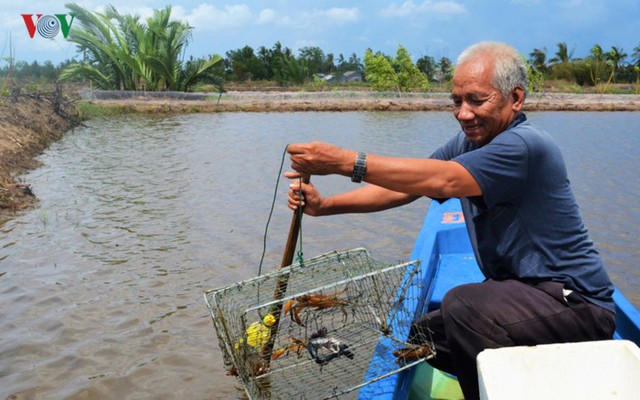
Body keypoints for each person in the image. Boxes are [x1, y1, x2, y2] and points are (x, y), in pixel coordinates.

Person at [284, 41, 615, 400]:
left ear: (515, 98)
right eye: (457, 101)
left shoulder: (524, 145)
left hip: (576, 306)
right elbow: (409, 187)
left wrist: (344, 161)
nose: (463, 113)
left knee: (462, 307)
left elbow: (444, 180)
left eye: (476, 100)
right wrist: (327, 204)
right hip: (525, 295)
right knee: (424, 337)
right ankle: (534, 381)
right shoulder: (470, 143)